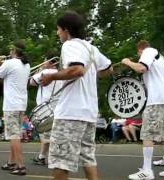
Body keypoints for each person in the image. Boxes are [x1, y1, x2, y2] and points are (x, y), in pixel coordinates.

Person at [40, 10, 112, 180]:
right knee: (88, 158)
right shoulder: (91, 48)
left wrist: (52, 76)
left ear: (66, 30)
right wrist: (92, 74)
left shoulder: (70, 45)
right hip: (89, 114)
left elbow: (77, 70)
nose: (58, 33)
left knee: (61, 161)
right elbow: (108, 69)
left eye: (58, 29)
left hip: (70, 113)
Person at [121, 40, 164, 179]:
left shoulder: (148, 52)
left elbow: (141, 68)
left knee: (148, 134)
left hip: (156, 101)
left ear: (140, 50)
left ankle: (147, 171)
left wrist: (128, 62)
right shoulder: (161, 58)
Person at [0, 40, 30, 176]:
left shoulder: (9, 63)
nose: (9, 52)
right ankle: (11, 162)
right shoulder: (26, 64)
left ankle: (21, 166)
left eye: (11, 49)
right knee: (16, 133)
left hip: (11, 105)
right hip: (21, 104)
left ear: (14, 50)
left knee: (14, 136)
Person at [30, 55, 62, 165]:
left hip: (44, 108)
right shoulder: (60, 73)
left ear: (50, 62)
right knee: (50, 134)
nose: (43, 63)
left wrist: (39, 71)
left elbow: (32, 82)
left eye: (44, 61)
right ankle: (42, 156)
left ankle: (52, 157)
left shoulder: (45, 71)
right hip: (57, 106)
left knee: (46, 133)